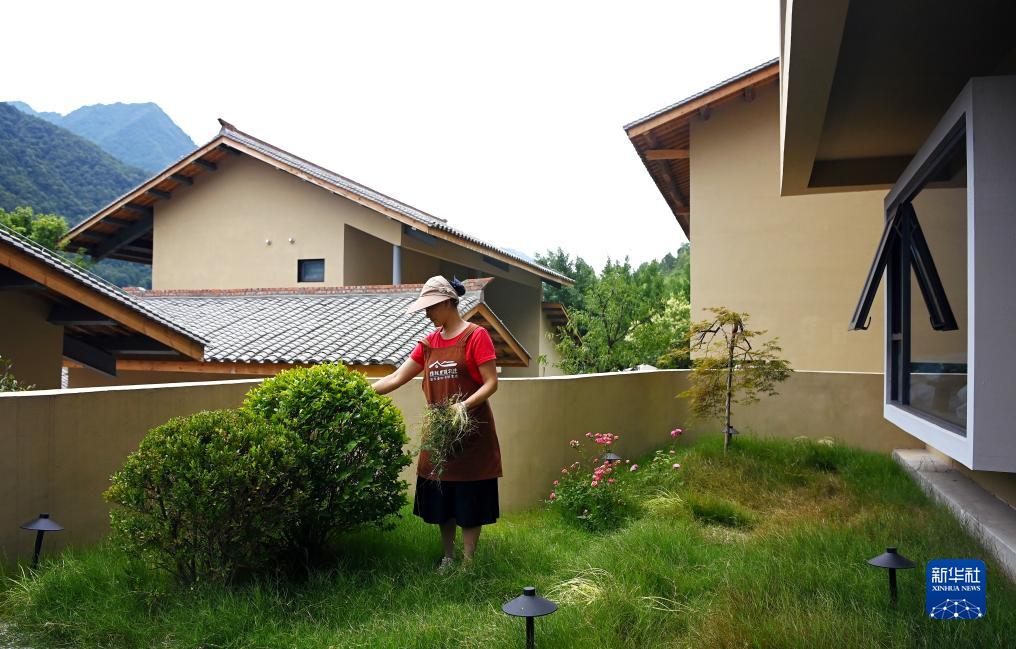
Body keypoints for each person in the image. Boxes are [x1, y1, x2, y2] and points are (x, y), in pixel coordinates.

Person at [372, 275, 502, 571]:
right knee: (444, 499)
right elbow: (397, 377)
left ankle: (468, 564)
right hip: (440, 434)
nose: (427, 314)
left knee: (469, 499)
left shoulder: (476, 336)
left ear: (446, 303)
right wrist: (360, 393)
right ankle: (448, 557)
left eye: (430, 308)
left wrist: (463, 406)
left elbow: (491, 383)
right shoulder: (429, 343)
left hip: (471, 433)